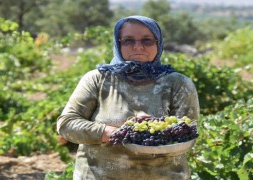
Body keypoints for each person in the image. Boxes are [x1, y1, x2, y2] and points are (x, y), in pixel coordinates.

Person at [57, 15, 200, 180]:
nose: (138, 47)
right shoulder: (98, 79)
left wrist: (154, 130)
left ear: (158, 43)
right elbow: (66, 123)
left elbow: (188, 136)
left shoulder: (178, 84)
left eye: (147, 40)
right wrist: (112, 132)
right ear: (118, 44)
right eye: (128, 40)